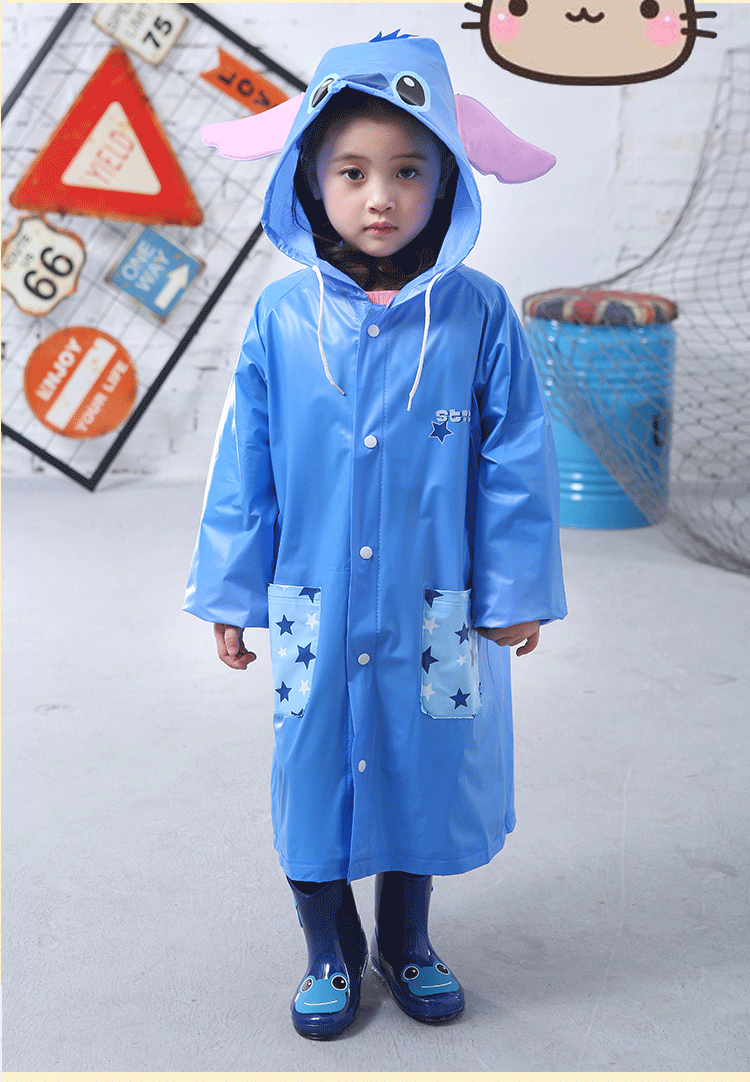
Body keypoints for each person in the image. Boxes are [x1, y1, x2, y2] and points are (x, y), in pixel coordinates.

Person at [185, 32, 567, 1039]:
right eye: (352, 172)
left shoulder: (478, 315)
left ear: (446, 182)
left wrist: (516, 588)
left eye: (409, 171)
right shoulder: (281, 318)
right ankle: (329, 950)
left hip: (436, 603)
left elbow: (515, 460)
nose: (381, 197)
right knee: (313, 770)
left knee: (420, 769)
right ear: (312, 180)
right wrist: (231, 592)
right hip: (314, 598)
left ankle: (407, 939)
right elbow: (246, 467)